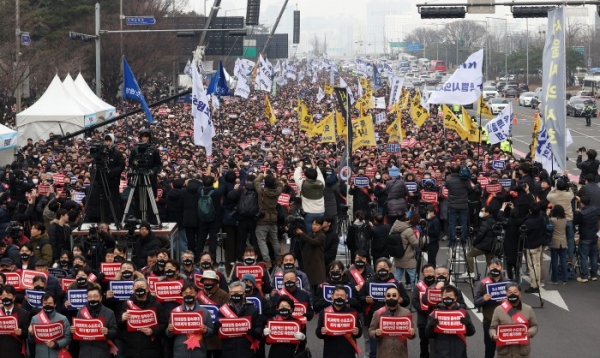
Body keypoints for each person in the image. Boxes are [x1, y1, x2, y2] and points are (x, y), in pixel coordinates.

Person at [359, 257, 410, 358]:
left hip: (393, 321)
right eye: (379, 267)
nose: (382, 269)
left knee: (393, 349)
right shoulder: (369, 282)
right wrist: (365, 299)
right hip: (374, 320)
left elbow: (406, 300)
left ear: (390, 269)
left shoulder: (397, 284)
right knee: (373, 351)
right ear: (376, 269)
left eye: (385, 267)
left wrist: (401, 300)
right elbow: (359, 297)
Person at [118, 278, 167, 358]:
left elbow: (164, 324)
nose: (139, 288)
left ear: (147, 289)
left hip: (151, 347)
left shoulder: (156, 305)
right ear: (133, 290)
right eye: (137, 286)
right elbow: (120, 327)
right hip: (132, 348)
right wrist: (122, 319)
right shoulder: (126, 304)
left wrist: (153, 331)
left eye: (142, 286)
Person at [474, 259, 512, 358]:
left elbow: (518, 302)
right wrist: (483, 299)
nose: (495, 268)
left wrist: (509, 302)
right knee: (489, 349)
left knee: (507, 350)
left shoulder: (509, 284)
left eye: (497, 266)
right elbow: (476, 302)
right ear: (488, 269)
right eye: (492, 267)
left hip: (506, 323)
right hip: (489, 322)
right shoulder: (482, 283)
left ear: (502, 269)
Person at [425, 285, 476, 358]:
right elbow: (428, 335)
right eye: (445, 295)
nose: (447, 298)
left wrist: (468, 324)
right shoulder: (435, 314)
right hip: (441, 354)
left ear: (455, 299)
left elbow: (471, 332)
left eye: (450, 296)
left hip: (459, 353)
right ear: (441, 298)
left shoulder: (462, 313)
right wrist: (431, 325)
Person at [489, 284, 539, 358]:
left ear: (520, 294)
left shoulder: (528, 309)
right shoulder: (499, 310)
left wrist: (531, 332)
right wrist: (493, 335)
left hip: (522, 352)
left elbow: (534, 326)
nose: (512, 294)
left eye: (515, 292)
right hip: (504, 352)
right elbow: (492, 328)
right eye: (510, 292)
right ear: (506, 294)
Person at [166, 282, 214, 358]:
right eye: (185, 293)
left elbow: (211, 331)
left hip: (198, 352)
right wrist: (169, 330)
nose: (188, 295)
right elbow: (168, 334)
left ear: (196, 295)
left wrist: (206, 330)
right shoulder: (175, 312)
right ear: (182, 295)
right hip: (181, 352)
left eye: (191, 293)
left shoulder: (205, 312)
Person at [85, 133, 125, 223]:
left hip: (113, 182)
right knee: (103, 202)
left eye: (109, 141)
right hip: (102, 182)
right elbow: (95, 165)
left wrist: (112, 172)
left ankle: (117, 221)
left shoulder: (117, 153)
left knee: (114, 202)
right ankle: (105, 220)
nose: (107, 143)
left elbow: (122, 165)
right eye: (106, 141)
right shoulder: (100, 153)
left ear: (113, 141)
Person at [217, 281, 262, 358]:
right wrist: (217, 327)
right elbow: (218, 331)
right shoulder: (223, 310)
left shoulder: (252, 308)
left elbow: (259, 327)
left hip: (246, 349)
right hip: (229, 350)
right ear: (230, 294)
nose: (236, 294)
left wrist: (254, 332)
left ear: (244, 293)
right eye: (233, 292)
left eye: (239, 292)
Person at [315, 285, 362, 358]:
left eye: (342, 295)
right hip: (330, 351)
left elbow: (359, 332)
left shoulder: (352, 312)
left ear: (346, 298)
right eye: (337, 295)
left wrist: (357, 332)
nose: (339, 297)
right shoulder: (324, 312)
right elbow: (318, 332)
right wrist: (322, 331)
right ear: (332, 297)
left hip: (348, 351)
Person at [71, 286, 118, 358]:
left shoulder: (109, 312)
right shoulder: (81, 312)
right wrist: (73, 330)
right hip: (85, 352)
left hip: (102, 352)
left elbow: (115, 331)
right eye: (89, 297)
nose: (92, 299)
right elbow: (76, 334)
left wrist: (108, 331)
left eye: (95, 296)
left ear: (101, 298)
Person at [369, 286, 416, 358]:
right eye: (388, 295)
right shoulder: (378, 313)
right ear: (385, 298)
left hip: (401, 353)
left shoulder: (406, 313)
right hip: (384, 353)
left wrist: (412, 333)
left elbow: (413, 334)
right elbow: (370, 331)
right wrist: (376, 333)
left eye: (394, 295)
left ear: (399, 298)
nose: (391, 297)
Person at [128, 128, 162, 224]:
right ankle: (138, 220)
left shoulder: (154, 149)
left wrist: (152, 171)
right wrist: (135, 166)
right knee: (138, 199)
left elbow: (158, 164)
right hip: (138, 178)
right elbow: (131, 162)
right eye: (143, 136)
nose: (145, 138)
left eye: (147, 136)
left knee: (151, 200)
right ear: (140, 137)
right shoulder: (135, 149)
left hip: (150, 178)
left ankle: (152, 220)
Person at [197, 270, 230, 358]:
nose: (207, 282)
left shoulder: (224, 295)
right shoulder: (198, 295)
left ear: (215, 281)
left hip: (218, 337)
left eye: (210, 280)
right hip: (202, 336)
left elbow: (228, 314)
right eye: (205, 280)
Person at [29, 293, 72, 358]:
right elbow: (30, 341)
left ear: (54, 304)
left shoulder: (63, 319)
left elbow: (68, 338)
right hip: (41, 355)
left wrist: (56, 344)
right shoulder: (35, 319)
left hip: (58, 355)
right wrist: (31, 334)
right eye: (45, 304)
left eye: (50, 303)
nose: (47, 305)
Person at [254, 170, 283, 268]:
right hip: (273, 219)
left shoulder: (261, 191)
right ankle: (278, 258)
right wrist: (275, 177)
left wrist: (262, 175)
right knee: (275, 240)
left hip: (262, 220)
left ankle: (267, 260)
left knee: (261, 241)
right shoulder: (277, 192)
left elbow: (256, 182)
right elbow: (280, 185)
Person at [462, 206, 495, 279]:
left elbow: (481, 234)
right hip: (491, 245)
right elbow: (484, 231)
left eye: (482, 211)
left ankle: (471, 273)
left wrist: (474, 242)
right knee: (489, 262)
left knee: (469, 255)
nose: (481, 212)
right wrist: (475, 230)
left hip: (484, 245)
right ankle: (493, 275)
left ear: (487, 212)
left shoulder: (485, 222)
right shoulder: (492, 220)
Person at [546, 179, 575, 264]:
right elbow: (572, 193)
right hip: (568, 219)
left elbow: (548, 196)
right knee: (570, 239)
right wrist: (568, 187)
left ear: (557, 187)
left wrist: (555, 188)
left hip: (557, 220)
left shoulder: (553, 196)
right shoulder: (569, 195)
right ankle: (570, 257)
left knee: (557, 237)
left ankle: (559, 256)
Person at [293, 159, 325, 233]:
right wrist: (314, 165)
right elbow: (319, 174)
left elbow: (296, 175)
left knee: (310, 234)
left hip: (309, 213)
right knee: (320, 233)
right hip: (320, 212)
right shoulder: (322, 183)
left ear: (306, 175)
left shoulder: (303, 184)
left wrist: (300, 166)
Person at [445, 164, 473, 247]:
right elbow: (470, 189)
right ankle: (463, 240)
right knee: (464, 223)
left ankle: (452, 241)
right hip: (463, 205)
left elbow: (447, 187)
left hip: (452, 205)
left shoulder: (448, 180)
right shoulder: (465, 180)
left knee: (451, 224)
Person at [295, 217, 326, 293]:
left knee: (316, 288)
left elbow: (313, 242)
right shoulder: (311, 234)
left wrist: (302, 233)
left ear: (321, 226)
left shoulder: (322, 235)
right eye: (313, 224)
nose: (314, 226)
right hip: (308, 264)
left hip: (316, 265)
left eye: (317, 224)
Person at [390, 211, 419, 290]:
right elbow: (415, 243)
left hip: (398, 254)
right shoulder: (408, 230)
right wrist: (421, 239)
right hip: (407, 256)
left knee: (398, 275)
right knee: (413, 275)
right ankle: (416, 290)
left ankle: (395, 289)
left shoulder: (394, 227)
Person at [412, 264, 436, 358]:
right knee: (424, 343)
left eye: (431, 271)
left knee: (436, 343)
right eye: (426, 271)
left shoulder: (439, 285)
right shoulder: (418, 286)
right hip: (423, 319)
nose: (429, 273)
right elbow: (414, 301)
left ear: (434, 272)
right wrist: (422, 308)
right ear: (423, 273)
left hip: (437, 318)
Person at [573, 196, 599, 282]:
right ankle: (594, 275)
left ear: (582, 203)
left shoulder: (581, 213)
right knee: (594, 256)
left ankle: (584, 276)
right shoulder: (595, 209)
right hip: (594, 235)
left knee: (584, 257)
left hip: (585, 236)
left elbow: (575, 222)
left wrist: (577, 212)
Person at [522, 203, 545, 293]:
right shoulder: (540, 218)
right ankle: (537, 283)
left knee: (532, 266)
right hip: (539, 243)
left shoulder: (529, 222)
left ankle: (534, 285)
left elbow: (524, 230)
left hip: (531, 245)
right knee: (537, 264)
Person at [0, 285, 29, 358]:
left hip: (16, 351)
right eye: (3, 295)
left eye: (8, 295)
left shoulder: (23, 313)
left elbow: (28, 333)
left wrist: (21, 332)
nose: (6, 298)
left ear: (14, 298)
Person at [549, 205, 568, 284]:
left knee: (554, 261)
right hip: (563, 241)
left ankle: (554, 279)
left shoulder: (552, 220)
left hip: (555, 241)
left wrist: (549, 213)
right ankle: (565, 279)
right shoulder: (565, 220)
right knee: (563, 261)